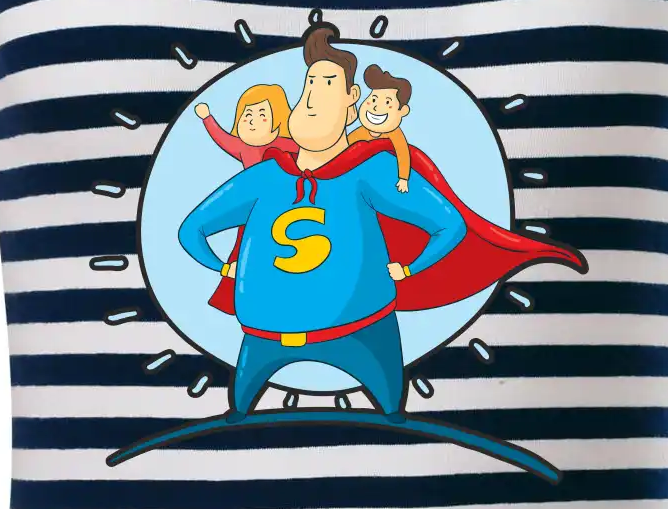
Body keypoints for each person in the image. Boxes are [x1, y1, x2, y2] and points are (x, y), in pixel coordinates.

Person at [178, 25, 463, 413]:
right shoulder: (265, 176)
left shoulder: (368, 171)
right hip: (263, 336)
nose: (312, 97)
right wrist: (222, 267)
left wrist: (411, 269)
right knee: (241, 408)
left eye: (327, 84)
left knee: (390, 408)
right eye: (309, 84)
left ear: (352, 102)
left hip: (362, 332)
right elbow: (192, 230)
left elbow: (449, 224)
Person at [192, 82, 286, 167]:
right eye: (248, 115)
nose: (251, 121)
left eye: (262, 115)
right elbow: (222, 137)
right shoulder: (242, 147)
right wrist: (207, 117)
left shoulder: (287, 144)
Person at [348, 64, 412, 188]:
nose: (376, 107)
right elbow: (346, 147)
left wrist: (403, 179)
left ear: (403, 111)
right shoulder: (360, 132)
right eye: (373, 100)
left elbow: (403, 152)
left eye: (387, 102)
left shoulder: (395, 134)